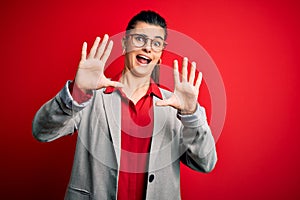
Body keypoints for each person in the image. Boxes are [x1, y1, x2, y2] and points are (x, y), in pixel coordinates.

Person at [32, 10, 217, 200]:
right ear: (124, 45)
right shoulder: (89, 97)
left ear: (160, 56)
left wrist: (190, 114)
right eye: (140, 39)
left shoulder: (176, 106)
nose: (147, 48)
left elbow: (205, 163)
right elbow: (42, 131)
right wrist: (77, 92)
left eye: (156, 43)